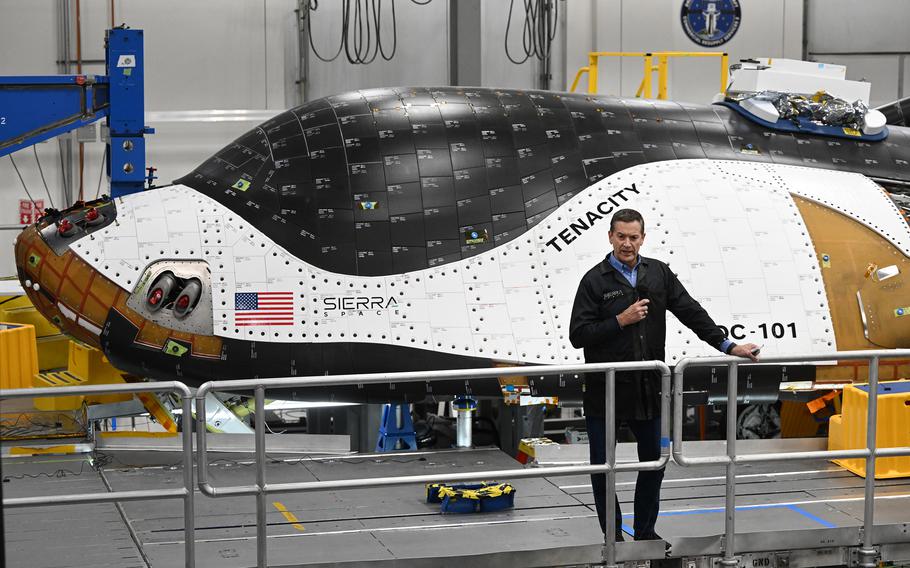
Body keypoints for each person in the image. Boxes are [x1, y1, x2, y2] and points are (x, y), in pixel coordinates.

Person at [568, 208, 759, 542]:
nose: (627, 244)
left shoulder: (657, 274)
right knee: (602, 469)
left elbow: (690, 311)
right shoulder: (593, 280)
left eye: (634, 237)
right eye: (621, 236)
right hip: (605, 391)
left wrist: (728, 346)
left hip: (648, 389)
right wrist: (620, 320)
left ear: (643, 238)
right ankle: (612, 537)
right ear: (610, 236)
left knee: (654, 463)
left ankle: (645, 532)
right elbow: (578, 335)